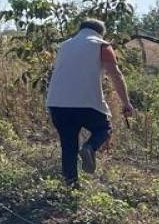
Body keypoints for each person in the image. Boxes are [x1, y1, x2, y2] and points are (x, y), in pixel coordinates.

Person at [45, 18, 135, 185]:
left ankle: (70, 185)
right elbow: (115, 75)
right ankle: (90, 147)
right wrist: (126, 103)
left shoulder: (64, 46)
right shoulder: (102, 45)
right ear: (100, 33)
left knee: (68, 147)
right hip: (85, 104)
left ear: (80, 30)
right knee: (103, 128)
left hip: (57, 104)